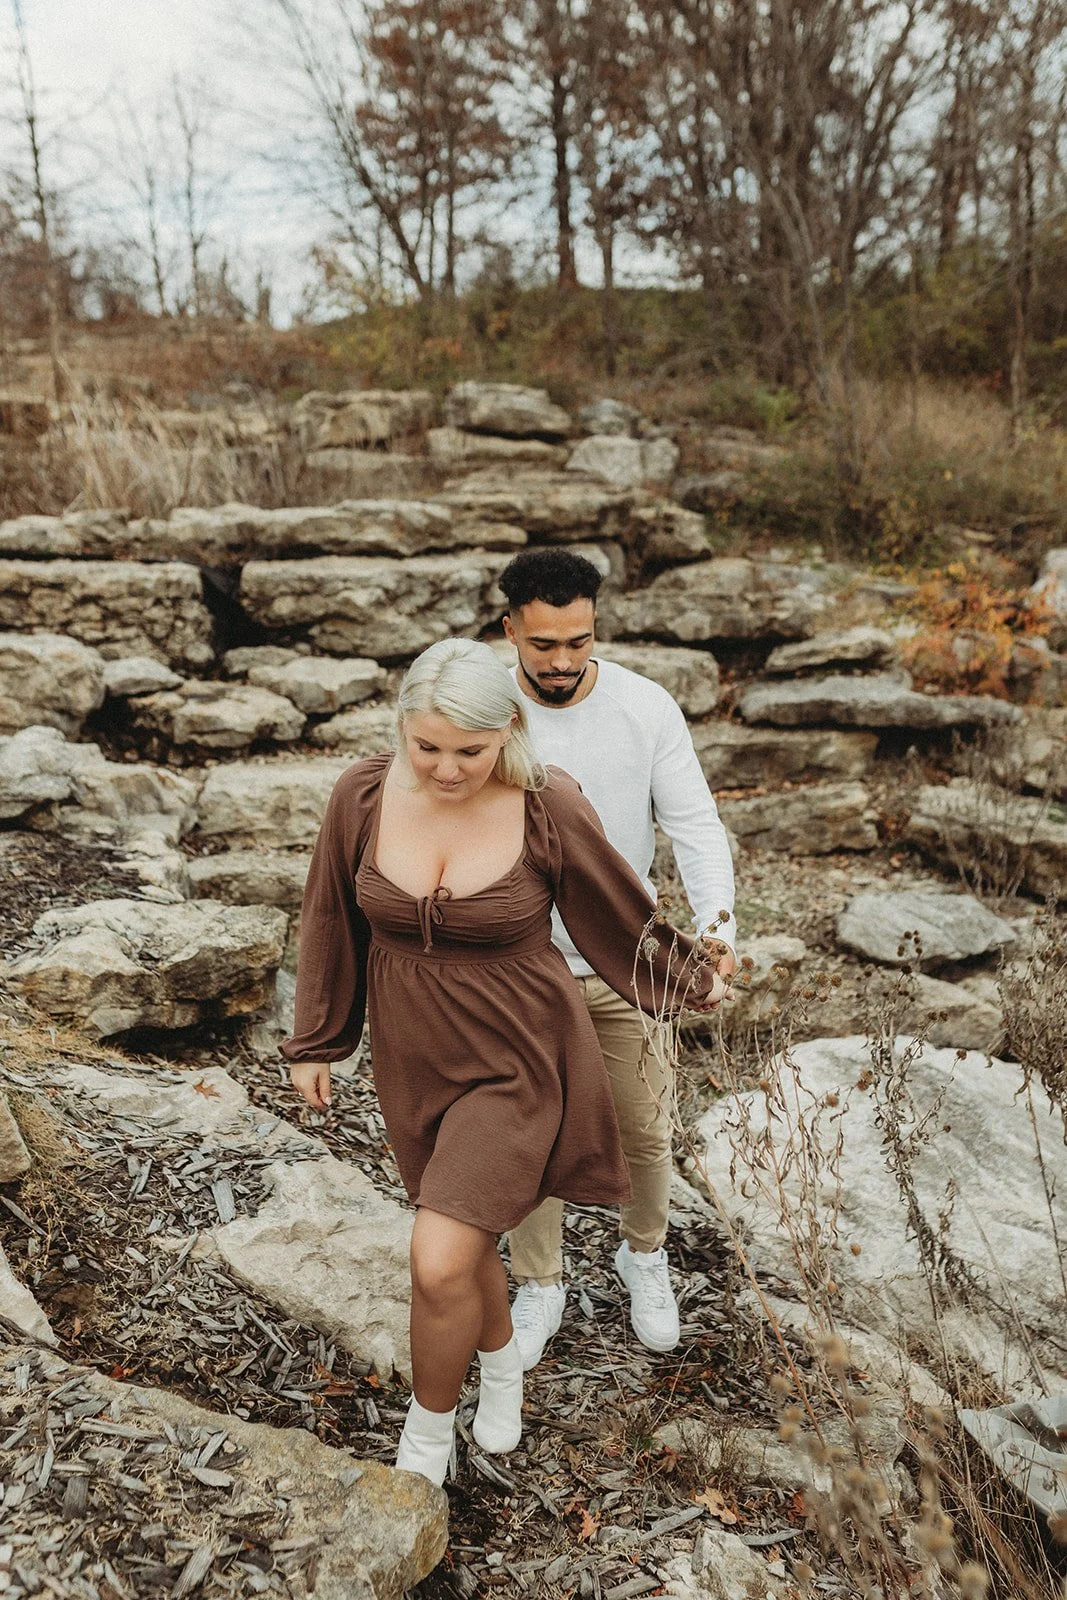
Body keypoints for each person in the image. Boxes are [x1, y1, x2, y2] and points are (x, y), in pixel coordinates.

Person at [283, 638, 727, 1487]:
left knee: (438, 1257)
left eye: (471, 752)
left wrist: (687, 976)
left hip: (520, 1058)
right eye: (429, 748)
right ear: (403, 728)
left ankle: (424, 1442)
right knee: (464, 1231)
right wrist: (318, 1041)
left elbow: (616, 907)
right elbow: (331, 918)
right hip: (413, 1061)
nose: (447, 771)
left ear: (508, 732)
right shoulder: (362, 795)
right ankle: (502, 1365)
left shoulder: (544, 803)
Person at [498, 548, 737, 1367]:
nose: (563, 662)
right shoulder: (483, 707)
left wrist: (718, 925)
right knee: (525, 1131)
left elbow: (695, 826)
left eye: (579, 641)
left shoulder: (645, 706)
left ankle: (643, 1254)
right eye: (543, 646)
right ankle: (539, 1282)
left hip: (625, 960)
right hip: (516, 965)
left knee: (646, 1129)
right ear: (509, 632)